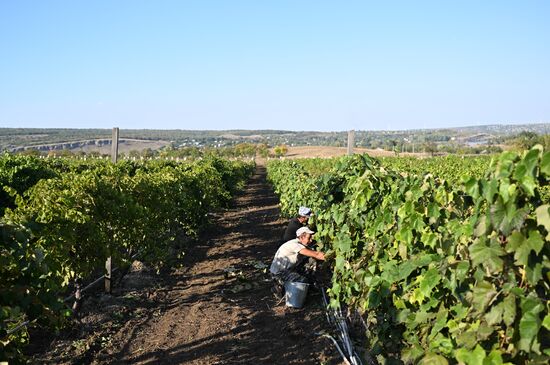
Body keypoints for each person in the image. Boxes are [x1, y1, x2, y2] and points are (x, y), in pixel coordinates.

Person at [270, 226, 325, 297]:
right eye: (309, 238)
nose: (311, 240)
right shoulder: (295, 245)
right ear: (302, 237)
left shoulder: (296, 243)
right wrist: (333, 257)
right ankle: (281, 287)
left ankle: (286, 285)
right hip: (279, 273)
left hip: (286, 269)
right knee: (302, 281)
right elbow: (316, 254)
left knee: (311, 260)